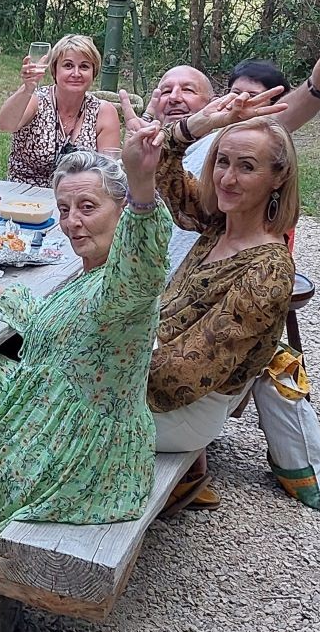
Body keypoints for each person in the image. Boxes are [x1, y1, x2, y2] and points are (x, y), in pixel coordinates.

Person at [0, 128, 172, 536]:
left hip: (79, 465)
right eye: (63, 209)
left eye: (88, 207)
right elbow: (44, 318)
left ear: (122, 209)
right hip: (71, 436)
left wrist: (142, 185)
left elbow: (143, 255)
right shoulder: (95, 278)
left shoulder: (126, 287)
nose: (72, 222)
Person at [126, 87, 301, 506]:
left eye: (247, 167)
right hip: (148, 371)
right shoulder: (220, 223)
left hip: (181, 411)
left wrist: (101, 367)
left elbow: (183, 375)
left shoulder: (268, 271)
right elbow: (160, 166)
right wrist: (203, 123)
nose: (227, 178)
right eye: (222, 161)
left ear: (278, 177)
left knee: (33, 394)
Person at [146, 14, 320, 278]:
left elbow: (279, 119)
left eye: (187, 90)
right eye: (165, 91)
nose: (174, 97)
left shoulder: (227, 144)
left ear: (211, 101)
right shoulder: (148, 147)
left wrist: (317, 88)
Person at [0, 34, 123, 186]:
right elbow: (5, 125)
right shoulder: (36, 100)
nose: (76, 73)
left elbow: (108, 173)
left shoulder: (103, 112)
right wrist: (27, 88)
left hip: (78, 195)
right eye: (68, 65)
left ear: (93, 73)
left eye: (84, 66)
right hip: (23, 193)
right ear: (55, 70)